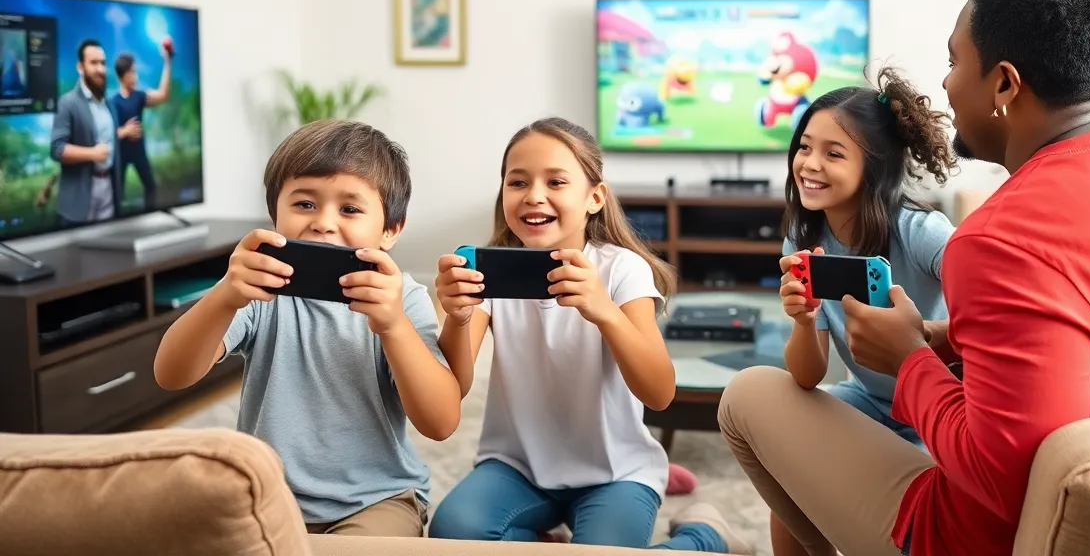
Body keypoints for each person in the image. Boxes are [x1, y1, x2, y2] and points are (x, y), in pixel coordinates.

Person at [718, 0, 1090, 556]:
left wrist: (910, 357)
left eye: (953, 61)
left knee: (748, 395)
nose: (943, 83)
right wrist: (949, 339)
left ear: (1003, 83)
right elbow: (1079, 322)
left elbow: (1002, 480)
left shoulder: (998, 239)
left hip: (996, 529)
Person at [429, 117, 748, 553]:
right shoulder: (490, 273)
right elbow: (453, 389)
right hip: (517, 467)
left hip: (615, 472)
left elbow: (659, 393)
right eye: (517, 181)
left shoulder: (622, 270)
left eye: (556, 181)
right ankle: (549, 536)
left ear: (594, 198)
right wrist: (458, 317)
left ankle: (703, 536)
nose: (534, 195)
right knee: (452, 534)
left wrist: (605, 312)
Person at [153, 119, 460, 538]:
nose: (323, 223)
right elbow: (171, 374)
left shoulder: (403, 299)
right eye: (304, 204)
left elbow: (440, 423)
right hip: (266, 494)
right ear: (274, 215)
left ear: (391, 230)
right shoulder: (260, 292)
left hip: (375, 499)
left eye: (349, 208)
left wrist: (393, 326)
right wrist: (225, 295)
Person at [772, 74, 956, 556]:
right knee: (789, 470)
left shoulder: (920, 231)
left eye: (834, 153)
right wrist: (804, 319)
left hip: (934, 409)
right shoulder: (803, 238)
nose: (809, 165)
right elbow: (807, 377)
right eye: (805, 147)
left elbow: (994, 308)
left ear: (873, 168)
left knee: (902, 511)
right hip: (870, 401)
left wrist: (926, 334)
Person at [49, 40, 139, 224]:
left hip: (109, 191)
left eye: (103, 63)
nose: (100, 69)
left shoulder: (109, 105)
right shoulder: (67, 103)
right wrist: (92, 154)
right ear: (80, 67)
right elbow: (56, 148)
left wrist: (124, 132)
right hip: (80, 198)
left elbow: (108, 139)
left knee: (106, 249)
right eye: (93, 63)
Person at [109, 38, 173, 211]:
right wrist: (124, 131)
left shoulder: (139, 96)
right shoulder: (112, 102)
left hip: (139, 152)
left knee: (151, 186)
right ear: (123, 75)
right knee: (116, 193)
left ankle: (149, 217)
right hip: (120, 155)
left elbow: (163, 94)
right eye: (132, 72)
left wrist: (167, 61)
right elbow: (104, 135)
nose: (136, 76)